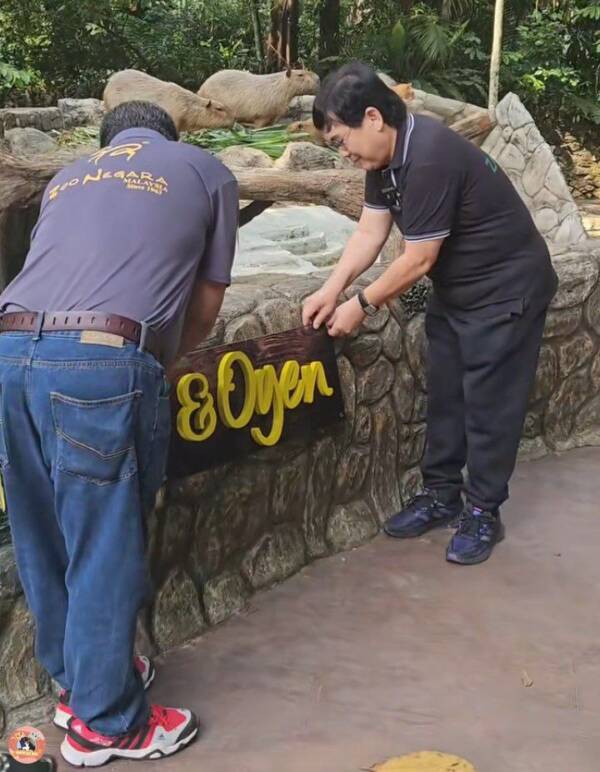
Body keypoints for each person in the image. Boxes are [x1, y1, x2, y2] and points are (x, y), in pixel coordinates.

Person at [0, 100, 239, 765]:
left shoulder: (66, 176)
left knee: (41, 533)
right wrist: (148, 367)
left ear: (110, 142)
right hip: (101, 359)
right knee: (105, 541)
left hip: (9, 353)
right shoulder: (206, 170)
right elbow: (207, 302)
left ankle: (77, 685)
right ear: (167, 136)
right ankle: (108, 725)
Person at [302, 62, 558, 566]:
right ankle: (441, 496)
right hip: (459, 293)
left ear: (373, 117)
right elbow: (370, 233)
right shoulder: (384, 161)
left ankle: (483, 510)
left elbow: (418, 259)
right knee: (445, 395)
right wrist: (331, 289)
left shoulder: (430, 156)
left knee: (489, 405)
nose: (344, 153)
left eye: (341, 140)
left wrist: (360, 305)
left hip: (506, 291)